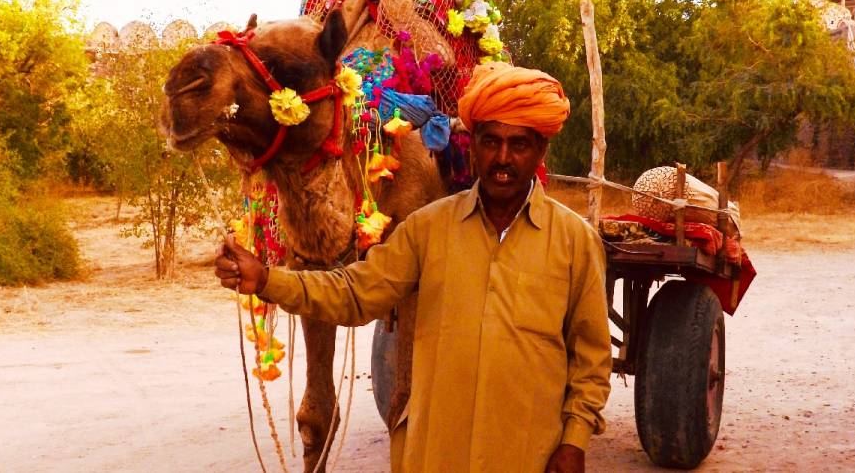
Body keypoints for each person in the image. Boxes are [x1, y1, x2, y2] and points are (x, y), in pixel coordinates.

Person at [215, 62, 612, 473]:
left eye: (520, 144)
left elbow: (590, 356)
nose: (503, 158)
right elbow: (355, 292)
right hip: (435, 453)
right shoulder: (428, 228)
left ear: (541, 150)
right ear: (471, 145)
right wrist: (266, 279)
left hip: (531, 454)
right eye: (491, 142)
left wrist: (574, 442)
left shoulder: (574, 241)